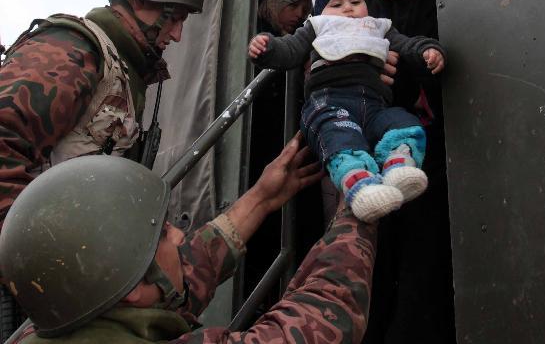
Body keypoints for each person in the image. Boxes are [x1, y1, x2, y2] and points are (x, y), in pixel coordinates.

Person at [0, 135, 382, 343]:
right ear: (131, 288)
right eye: (163, 234)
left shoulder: (72, 313)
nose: (179, 233)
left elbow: (184, 274)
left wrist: (263, 197)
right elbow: (327, 319)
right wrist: (360, 202)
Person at [0, 0, 205, 229]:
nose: (178, 35)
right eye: (173, 19)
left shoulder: (125, 71)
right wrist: (25, 246)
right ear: (137, 2)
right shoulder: (74, 49)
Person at [248, 0, 446, 223]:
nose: (348, 8)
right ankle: (361, 187)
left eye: (355, 0)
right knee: (340, 136)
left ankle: (399, 165)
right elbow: (289, 50)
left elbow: (408, 45)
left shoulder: (377, 27)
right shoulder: (317, 27)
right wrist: (266, 47)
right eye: (336, 4)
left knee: (402, 122)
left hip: (375, 107)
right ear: (320, 12)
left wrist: (428, 50)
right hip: (330, 103)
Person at [359, 0, 455, 343]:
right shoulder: (357, 24)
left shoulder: (448, 6)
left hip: (436, 167)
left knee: (424, 271)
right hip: (371, 170)